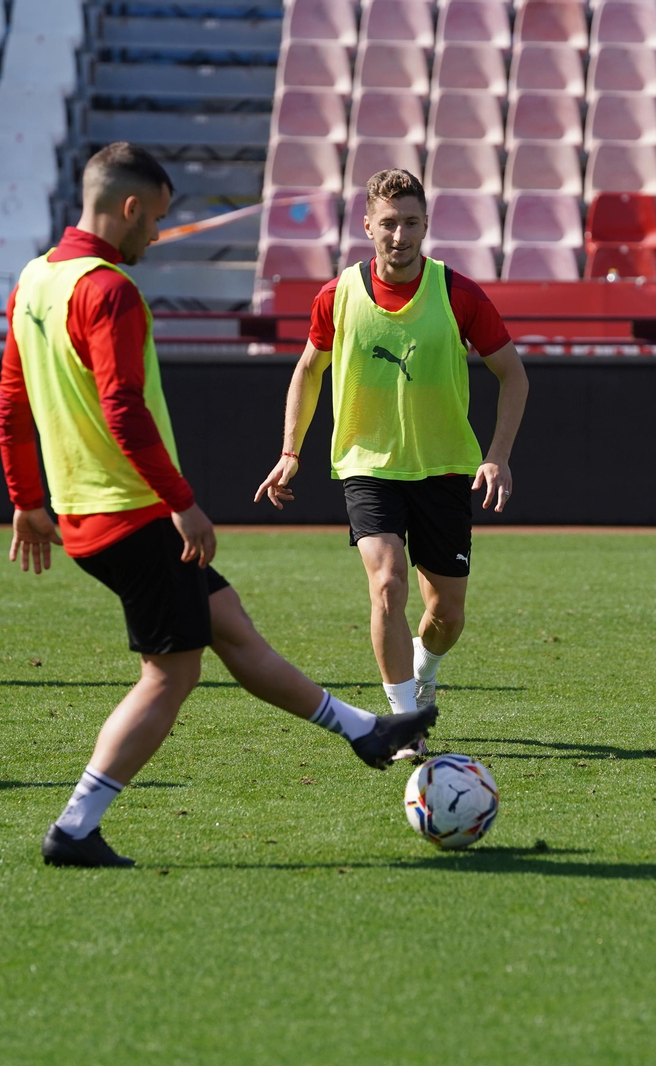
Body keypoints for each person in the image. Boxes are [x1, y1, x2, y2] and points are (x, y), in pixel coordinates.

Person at [0, 143, 437, 868]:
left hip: (83, 511)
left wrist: (26, 500)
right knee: (171, 674)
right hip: (131, 511)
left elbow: (10, 401)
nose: (156, 235)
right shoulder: (108, 290)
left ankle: (365, 731)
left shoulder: (34, 279)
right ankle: (74, 828)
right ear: (129, 208)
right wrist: (182, 504)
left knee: (230, 626)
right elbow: (123, 408)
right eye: (155, 220)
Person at [254, 168, 528, 753]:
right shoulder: (336, 295)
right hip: (367, 466)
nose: (398, 235)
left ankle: (424, 668)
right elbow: (308, 370)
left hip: (445, 468)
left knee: (446, 615)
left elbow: (514, 375)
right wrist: (290, 451)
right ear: (367, 226)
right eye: (388, 223)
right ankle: (404, 723)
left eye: (410, 223)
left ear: (426, 225)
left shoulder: (459, 293)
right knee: (387, 585)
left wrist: (497, 457)